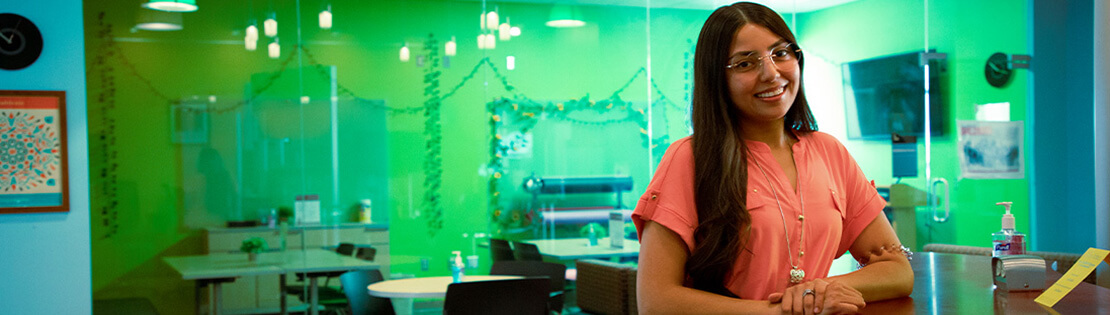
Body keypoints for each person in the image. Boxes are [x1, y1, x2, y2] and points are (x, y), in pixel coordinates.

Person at [632, 2, 914, 314]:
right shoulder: (689, 157)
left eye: (780, 53)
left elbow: (898, 270)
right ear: (717, 79)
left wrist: (819, 290)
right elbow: (655, 301)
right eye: (745, 64)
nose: (771, 73)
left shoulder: (829, 151)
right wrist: (781, 311)